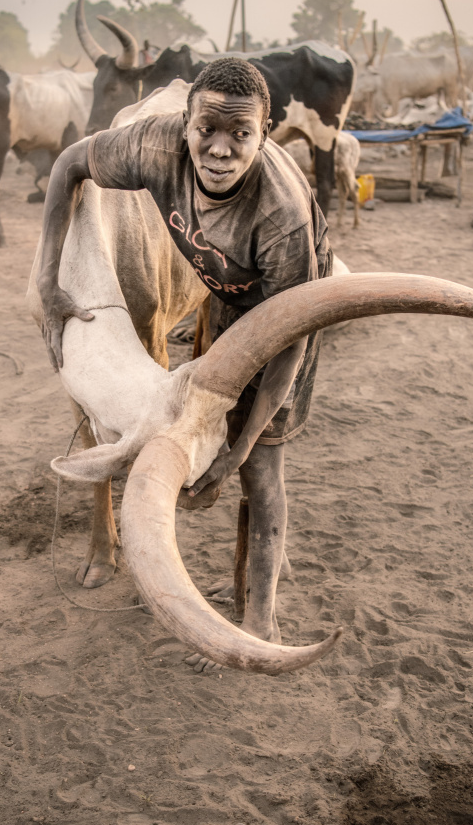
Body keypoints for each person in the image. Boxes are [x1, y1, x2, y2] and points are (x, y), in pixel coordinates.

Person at [38, 58, 331, 672]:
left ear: (266, 130)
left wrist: (243, 443)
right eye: (207, 132)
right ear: (185, 123)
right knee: (202, 425)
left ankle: (260, 619)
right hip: (221, 294)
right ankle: (237, 577)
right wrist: (46, 280)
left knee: (261, 466)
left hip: (284, 306)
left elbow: (287, 346)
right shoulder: (152, 144)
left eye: (240, 135)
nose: (220, 151)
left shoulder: (284, 221)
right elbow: (68, 164)